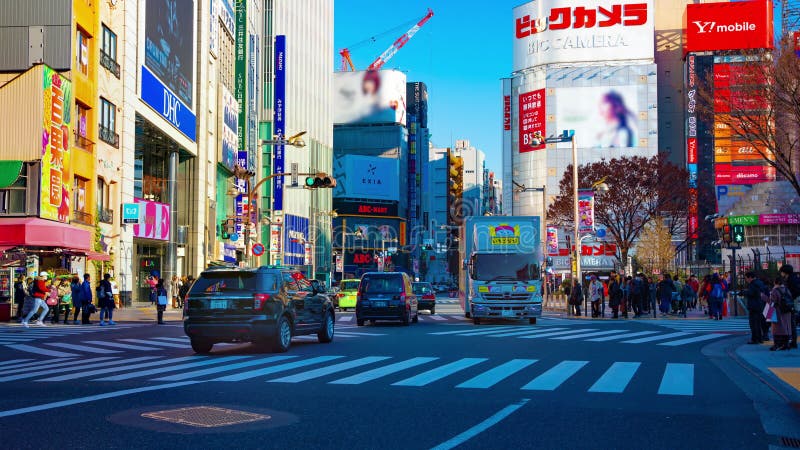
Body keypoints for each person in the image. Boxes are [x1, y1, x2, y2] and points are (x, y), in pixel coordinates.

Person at [769, 277, 793, 351]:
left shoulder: (775, 290)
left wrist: (769, 313)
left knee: (776, 328)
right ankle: (786, 344)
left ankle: (776, 345)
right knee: (786, 327)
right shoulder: (787, 290)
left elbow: (772, 302)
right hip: (787, 311)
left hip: (778, 311)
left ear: (775, 282)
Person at [778, 265, 799, 349]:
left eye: (782, 272)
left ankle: (793, 342)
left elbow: (793, 292)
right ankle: (793, 341)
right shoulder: (795, 278)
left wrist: (788, 299)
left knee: (791, 322)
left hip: (792, 303)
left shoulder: (790, 280)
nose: (781, 274)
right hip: (794, 302)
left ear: (785, 272)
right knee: (792, 322)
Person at [744, 272, 767, 344]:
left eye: (746, 278)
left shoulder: (753, 284)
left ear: (750, 277)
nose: (746, 280)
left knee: (753, 323)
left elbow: (751, 293)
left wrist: (745, 292)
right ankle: (760, 338)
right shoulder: (760, 283)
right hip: (760, 305)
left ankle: (755, 339)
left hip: (754, 306)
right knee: (758, 323)